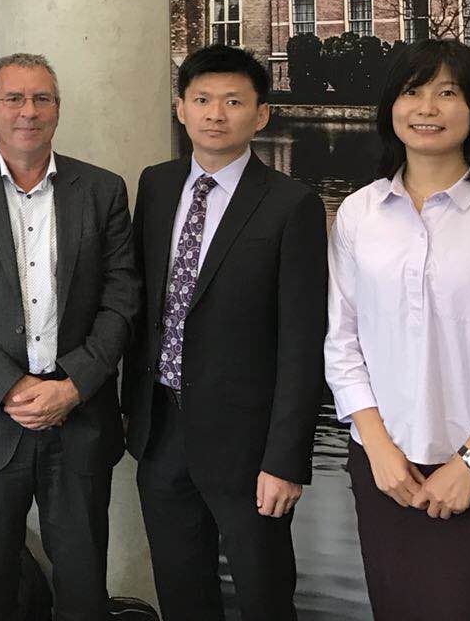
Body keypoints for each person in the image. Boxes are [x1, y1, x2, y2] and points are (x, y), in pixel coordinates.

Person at [325, 39, 470, 621]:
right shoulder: (358, 214)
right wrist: (378, 449)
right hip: (387, 471)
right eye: (412, 92)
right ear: (391, 107)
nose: (427, 107)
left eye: (447, 92)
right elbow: (343, 341)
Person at [0, 52, 141, 620]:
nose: (28, 111)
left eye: (42, 99)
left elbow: (121, 299)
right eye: (13, 98)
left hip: (78, 421)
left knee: (84, 592)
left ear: (57, 110)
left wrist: (74, 385)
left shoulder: (102, 189)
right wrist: (10, 386)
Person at [122, 45, 328, 620]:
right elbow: (143, 307)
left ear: (261, 115)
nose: (216, 114)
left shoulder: (291, 204)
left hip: (249, 446)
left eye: (234, 102)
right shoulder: (157, 185)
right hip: (161, 431)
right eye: (202, 99)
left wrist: (286, 459)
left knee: (264, 598)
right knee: (182, 594)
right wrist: (130, 407)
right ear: (181, 109)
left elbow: (302, 342)